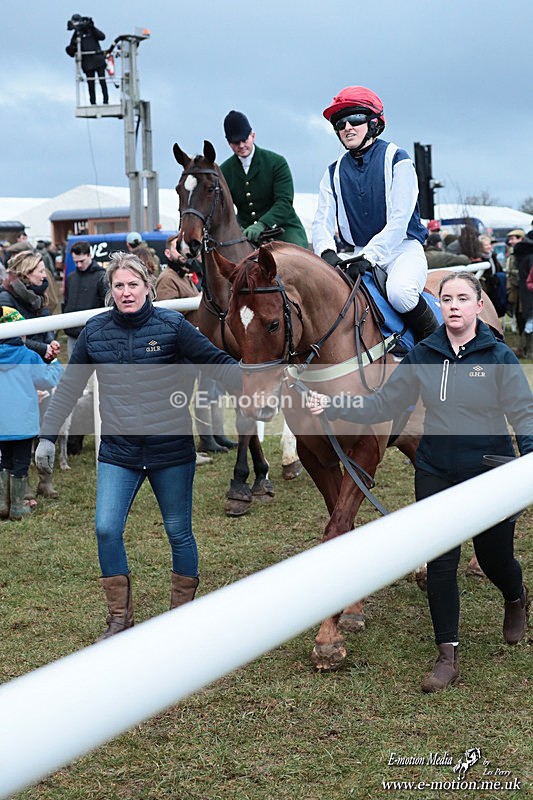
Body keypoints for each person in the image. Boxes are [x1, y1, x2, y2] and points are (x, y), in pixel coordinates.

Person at [306, 272, 532, 692]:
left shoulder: (499, 357)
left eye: (463, 298)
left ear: (478, 306)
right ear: (439, 306)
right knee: (441, 563)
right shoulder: (424, 354)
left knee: (495, 556)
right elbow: (383, 403)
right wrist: (331, 402)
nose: (454, 305)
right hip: (436, 471)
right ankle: (447, 653)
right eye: (447, 298)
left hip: (489, 471)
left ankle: (516, 595)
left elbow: (524, 414)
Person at [35, 252, 242, 641]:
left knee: (179, 531)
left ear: (147, 287)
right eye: (118, 285)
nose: (126, 292)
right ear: (110, 291)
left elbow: (216, 362)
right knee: (106, 528)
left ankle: (182, 615)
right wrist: (47, 435)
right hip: (119, 452)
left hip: (171, 452)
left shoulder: (173, 326)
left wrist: (255, 382)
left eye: (133, 284)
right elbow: (69, 388)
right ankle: (119, 617)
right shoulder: (95, 333)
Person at [312, 86, 438, 343]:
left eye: (355, 119)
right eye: (339, 122)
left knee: (400, 293)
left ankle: (438, 347)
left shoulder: (398, 160)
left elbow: (399, 222)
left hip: (401, 250)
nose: (346, 127)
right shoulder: (332, 172)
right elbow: (321, 220)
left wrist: (370, 256)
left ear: (373, 122)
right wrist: (325, 251)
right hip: (357, 253)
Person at [155, 234, 235, 455]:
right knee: (185, 395)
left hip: (198, 343)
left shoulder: (186, 275)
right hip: (182, 347)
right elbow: (165, 312)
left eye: (184, 249)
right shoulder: (167, 278)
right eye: (177, 249)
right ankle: (193, 441)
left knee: (208, 391)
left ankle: (213, 435)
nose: (183, 253)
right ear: (168, 253)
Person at [0, 306, 63, 521]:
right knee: (20, 462)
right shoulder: (28, 356)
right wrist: (54, 361)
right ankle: (17, 506)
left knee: (3, 461)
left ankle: (2, 503)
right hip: (23, 424)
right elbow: (47, 379)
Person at [220, 111, 308, 248]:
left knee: (300, 263)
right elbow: (224, 208)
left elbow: (284, 202)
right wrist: (238, 228)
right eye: (236, 142)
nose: (241, 145)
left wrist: (262, 224)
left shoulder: (276, 162)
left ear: (252, 136)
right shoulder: (224, 171)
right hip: (246, 233)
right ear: (228, 143)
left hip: (283, 228)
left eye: (244, 140)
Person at [62, 240, 108, 358]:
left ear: (89, 255)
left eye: (81, 261)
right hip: (72, 334)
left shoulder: (101, 276)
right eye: (75, 262)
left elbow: (107, 306)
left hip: (93, 334)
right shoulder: (71, 278)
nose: (79, 265)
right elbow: (66, 301)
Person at [65, 14, 109, 105]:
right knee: (91, 84)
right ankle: (93, 102)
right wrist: (70, 49)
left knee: (102, 81)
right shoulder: (77, 35)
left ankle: (106, 101)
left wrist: (92, 27)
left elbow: (102, 37)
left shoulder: (90, 30)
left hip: (97, 60)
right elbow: (72, 49)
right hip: (88, 63)